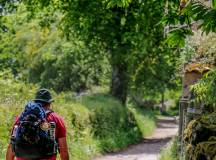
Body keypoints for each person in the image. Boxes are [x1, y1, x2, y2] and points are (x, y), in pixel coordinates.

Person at [6, 88, 69, 160]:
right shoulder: (57, 119)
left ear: (35, 102)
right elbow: (64, 151)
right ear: (49, 104)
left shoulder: (22, 118)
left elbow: (11, 146)